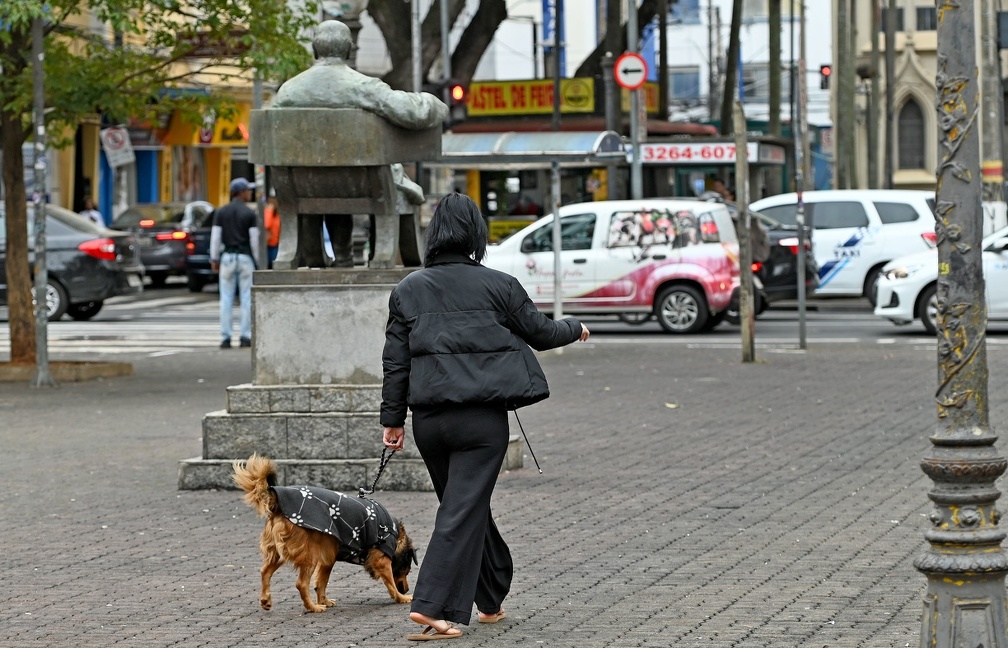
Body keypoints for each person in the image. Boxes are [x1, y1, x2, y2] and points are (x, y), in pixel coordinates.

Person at [380, 193, 591, 641]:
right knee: (461, 511)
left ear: (434, 235)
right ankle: (430, 605)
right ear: (476, 234)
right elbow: (541, 333)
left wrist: (393, 420)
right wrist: (575, 328)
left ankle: (491, 596)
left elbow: (395, 363)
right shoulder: (500, 284)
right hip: (480, 423)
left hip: (429, 424)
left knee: (463, 507)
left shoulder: (408, 289)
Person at [273, 20, 446, 267]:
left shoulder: (286, 93)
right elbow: (413, 112)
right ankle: (378, 253)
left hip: (305, 187)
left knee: (332, 179)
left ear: (315, 49)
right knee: (384, 180)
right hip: (364, 184)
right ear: (348, 50)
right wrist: (434, 103)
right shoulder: (364, 87)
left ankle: (342, 256)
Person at [210, 178, 260, 349]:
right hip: (245, 258)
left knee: (226, 299)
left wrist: (214, 259)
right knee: (246, 298)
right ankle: (245, 336)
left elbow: (215, 238)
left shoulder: (221, 212)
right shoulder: (249, 213)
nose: (250, 193)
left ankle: (226, 337)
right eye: (248, 190)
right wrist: (258, 261)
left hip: (227, 258)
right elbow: (254, 240)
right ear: (242, 192)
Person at [263, 195, 281, 269]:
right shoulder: (268, 214)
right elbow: (267, 225)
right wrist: (269, 211)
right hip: (267, 244)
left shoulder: (278, 216)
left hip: (275, 245)